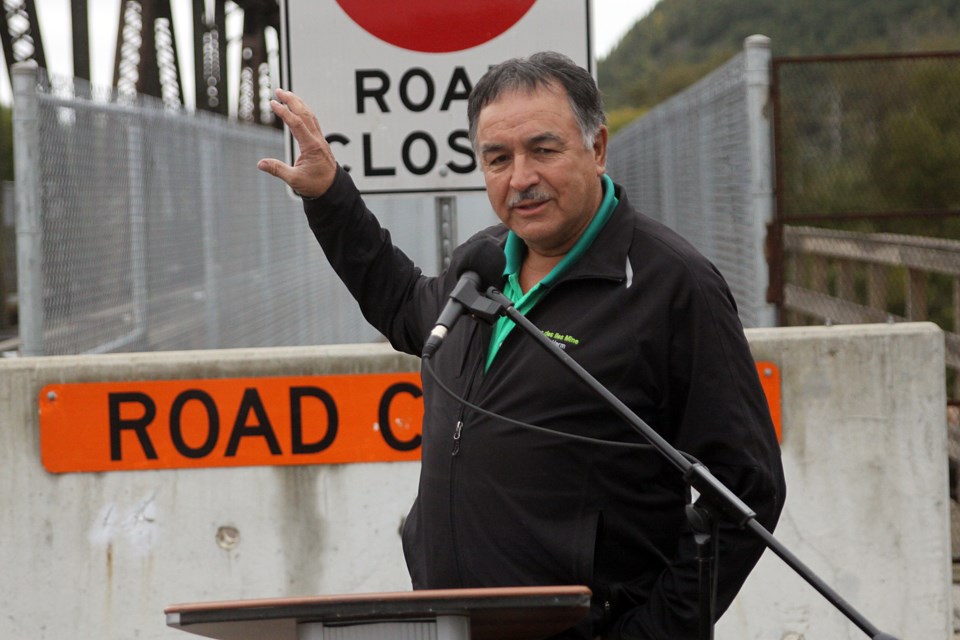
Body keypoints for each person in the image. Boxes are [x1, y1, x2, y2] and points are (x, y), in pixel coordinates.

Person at [257, 51, 785, 640]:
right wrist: (331, 195)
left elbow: (747, 492)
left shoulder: (672, 285)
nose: (520, 178)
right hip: (453, 625)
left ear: (598, 147)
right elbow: (406, 307)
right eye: (498, 158)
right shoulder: (482, 266)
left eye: (543, 149)